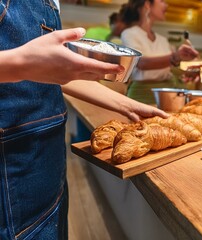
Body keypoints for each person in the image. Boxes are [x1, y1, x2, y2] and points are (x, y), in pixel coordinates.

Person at [0, 1, 167, 239]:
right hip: (9, 164)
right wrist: (20, 64)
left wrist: (127, 104)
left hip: (48, 157)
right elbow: (26, 64)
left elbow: (53, 75)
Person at [120, 0, 199, 104]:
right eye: (162, 1)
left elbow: (167, 70)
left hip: (168, 95)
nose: (166, 5)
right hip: (143, 96)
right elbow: (140, 63)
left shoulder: (162, 40)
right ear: (147, 4)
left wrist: (186, 70)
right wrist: (175, 56)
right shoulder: (129, 34)